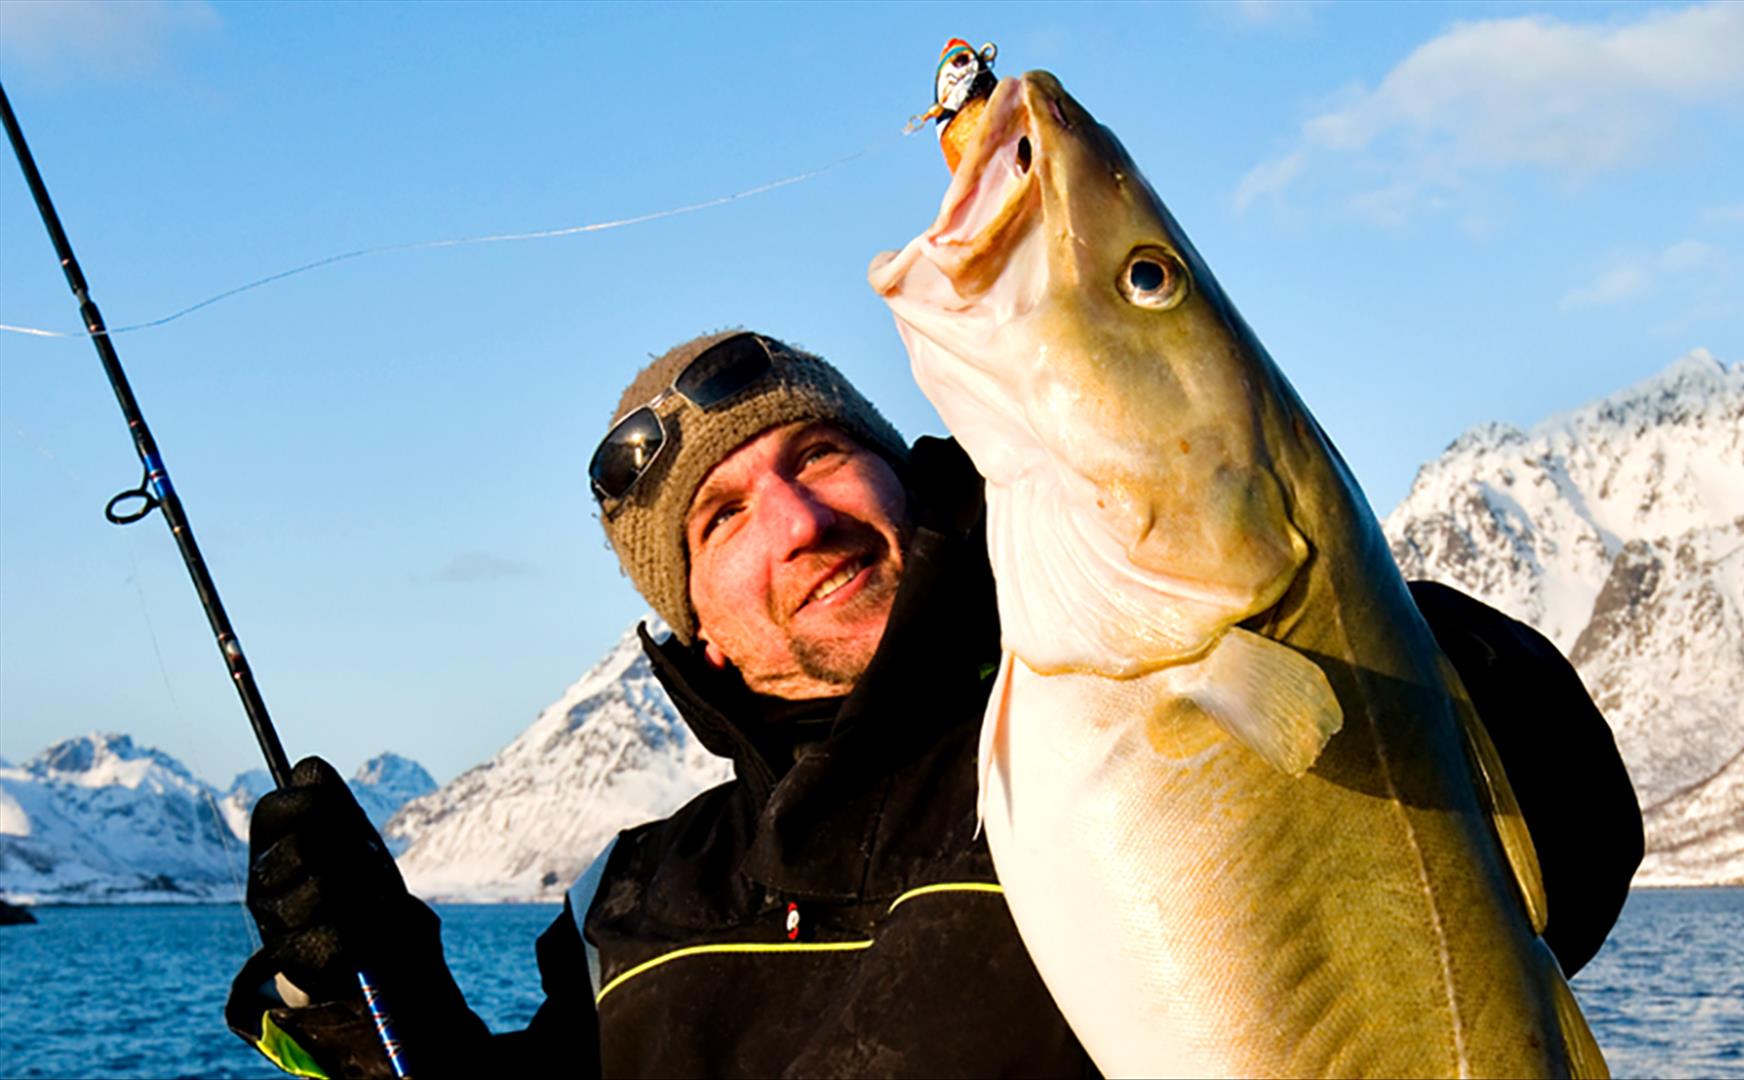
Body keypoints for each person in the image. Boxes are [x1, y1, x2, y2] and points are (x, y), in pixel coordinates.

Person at [226, 330, 1641, 1078]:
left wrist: (1252, 560)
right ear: (695, 634)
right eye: (722, 517)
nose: (797, 517)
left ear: (913, 479)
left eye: (822, 453)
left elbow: (1561, 830)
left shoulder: (1117, 729)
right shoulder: (634, 904)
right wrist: (362, 998)